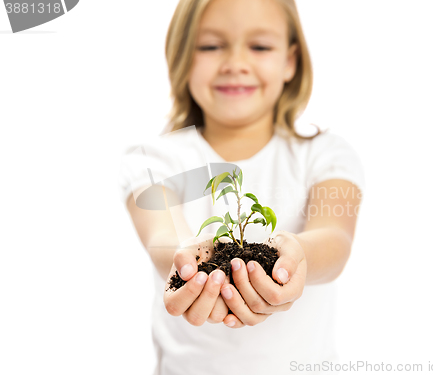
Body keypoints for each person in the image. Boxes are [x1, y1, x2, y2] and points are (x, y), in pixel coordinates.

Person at [118, 0, 366, 373]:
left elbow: (335, 236)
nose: (235, 63)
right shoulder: (154, 159)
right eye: (210, 46)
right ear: (182, 56)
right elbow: (162, 235)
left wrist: (298, 256)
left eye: (260, 46)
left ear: (290, 61)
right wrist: (188, 262)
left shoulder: (324, 154)